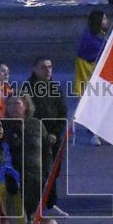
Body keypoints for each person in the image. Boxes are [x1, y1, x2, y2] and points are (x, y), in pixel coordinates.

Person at [25, 56, 68, 215]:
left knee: (53, 170)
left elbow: (62, 112)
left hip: (53, 138)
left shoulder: (55, 87)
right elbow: (29, 114)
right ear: (35, 69)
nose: (48, 70)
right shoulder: (28, 88)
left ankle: (51, 203)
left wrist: (56, 133)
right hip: (35, 137)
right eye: (43, 67)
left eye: (50, 67)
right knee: (38, 171)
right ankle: (37, 204)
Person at [3, 94, 46, 220]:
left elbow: (46, 152)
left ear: (26, 105)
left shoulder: (37, 125)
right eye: (9, 104)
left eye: (17, 103)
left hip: (35, 178)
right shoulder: (2, 126)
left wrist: (46, 175)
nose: (12, 107)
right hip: (13, 180)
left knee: (34, 218)